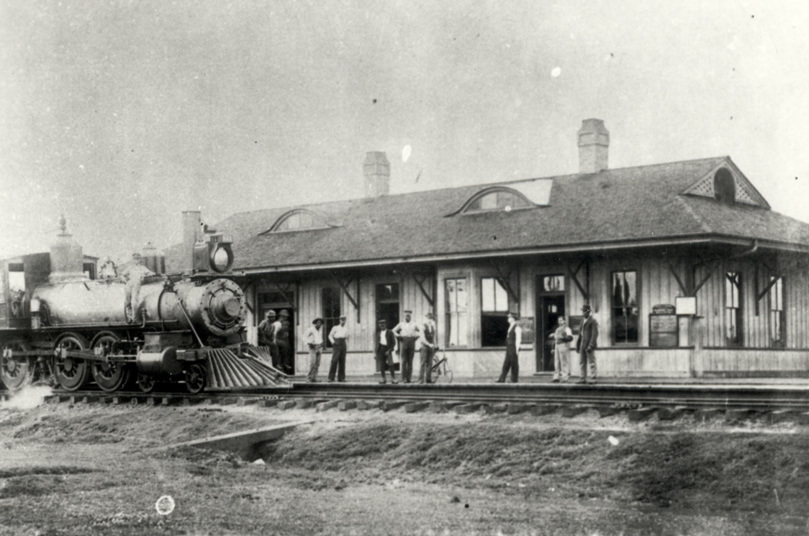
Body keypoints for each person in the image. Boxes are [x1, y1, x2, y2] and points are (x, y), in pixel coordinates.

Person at [121, 252, 154, 323]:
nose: (136, 260)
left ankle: (134, 318)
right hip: (129, 283)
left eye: (138, 259)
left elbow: (150, 273)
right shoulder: (130, 267)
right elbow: (122, 274)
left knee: (134, 301)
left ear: (140, 260)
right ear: (132, 260)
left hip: (137, 283)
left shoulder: (142, 268)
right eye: (135, 259)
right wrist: (124, 280)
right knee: (127, 301)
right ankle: (129, 316)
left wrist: (148, 275)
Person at [392, 310, 421, 383]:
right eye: (406, 316)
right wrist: (399, 336)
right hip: (404, 341)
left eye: (409, 316)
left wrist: (416, 337)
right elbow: (393, 331)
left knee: (410, 361)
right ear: (404, 316)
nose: (407, 317)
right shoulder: (401, 324)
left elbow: (421, 331)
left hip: (411, 341)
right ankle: (404, 378)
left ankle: (409, 378)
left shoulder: (414, 324)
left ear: (411, 316)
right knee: (404, 361)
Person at [576, 304, 599, 384]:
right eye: (582, 311)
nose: (583, 313)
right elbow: (580, 334)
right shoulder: (582, 321)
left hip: (589, 343)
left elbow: (594, 334)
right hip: (582, 343)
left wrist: (591, 345)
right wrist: (578, 345)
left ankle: (593, 378)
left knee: (591, 361)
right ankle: (582, 378)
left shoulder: (593, 321)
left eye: (584, 311)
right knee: (582, 361)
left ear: (588, 312)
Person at [496, 311, 521, 383]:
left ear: (513, 318)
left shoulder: (517, 327)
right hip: (509, 347)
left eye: (510, 317)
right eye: (509, 317)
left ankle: (514, 379)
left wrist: (517, 349)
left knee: (514, 363)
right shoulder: (510, 326)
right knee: (506, 363)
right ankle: (502, 378)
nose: (508, 318)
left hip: (513, 347)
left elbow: (518, 339)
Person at [551, 317, 574, 383]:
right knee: (556, 362)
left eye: (561, 320)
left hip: (563, 345)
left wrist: (563, 338)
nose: (559, 321)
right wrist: (553, 348)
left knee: (563, 362)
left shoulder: (567, 328)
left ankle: (564, 377)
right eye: (559, 320)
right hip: (557, 345)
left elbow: (570, 337)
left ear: (564, 321)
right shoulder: (557, 329)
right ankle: (556, 377)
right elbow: (555, 339)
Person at [375, 319, 398, 384]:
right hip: (380, 349)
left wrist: (389, 350)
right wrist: (375, 353)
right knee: (382, 365)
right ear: (379, 326)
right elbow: (376, 343)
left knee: (391, 364)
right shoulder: (378, 333)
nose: (382, 326)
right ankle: (383, 379)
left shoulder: (390, 332)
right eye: (380, 325)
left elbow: (393, 343)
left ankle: (393, 378)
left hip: (388, 349)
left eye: (383, 324)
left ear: (385, 325)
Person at [418, 311, 437, 384]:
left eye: (431, 318)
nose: (430, 320)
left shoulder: (432, 326)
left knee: (430, 363)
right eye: (428, 318)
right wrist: (429, 344)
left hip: (431, 346)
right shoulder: (422, 326)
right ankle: (421, 379)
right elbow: (422, 338)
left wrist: (435, 345)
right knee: (423, 363)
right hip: (424, 346)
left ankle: (428, 379)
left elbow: (434, 337)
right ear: (426, 318)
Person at [328, 315, 348, 382]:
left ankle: (341, 378)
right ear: (339, 320)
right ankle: (331, 378)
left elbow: (347, 336)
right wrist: (333, 343)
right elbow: (330, 336)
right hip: (336, 343)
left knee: (342, 360)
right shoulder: (335, 327)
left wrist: (345, 342)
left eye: (344, 320)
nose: (343, 321)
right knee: (334, 360)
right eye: (342, 320)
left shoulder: (346, 328)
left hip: (343, 343)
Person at [304, 318, 324, 382]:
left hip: (319, 347)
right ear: (315, 323)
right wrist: (309, 343)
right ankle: (308, 378)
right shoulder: (311, 329)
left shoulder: (320, 330)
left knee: (317, 364)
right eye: (318, 322)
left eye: (320, 323)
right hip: (313, 347)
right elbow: (304, 337)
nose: (319, 324)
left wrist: (321, 343)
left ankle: (314, 378)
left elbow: (319, 338)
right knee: (312, 363)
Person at [275, 309, 293, 374]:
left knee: (286, 352)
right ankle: (280, 367)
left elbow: (287, 331)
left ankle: (285, 364)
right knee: (278, 355)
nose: (286, 318)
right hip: (278, 340)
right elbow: (274, 333)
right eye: (285, 316)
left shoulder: (286, 323)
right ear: (281, 316)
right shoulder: (277, 323)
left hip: (284, 340)